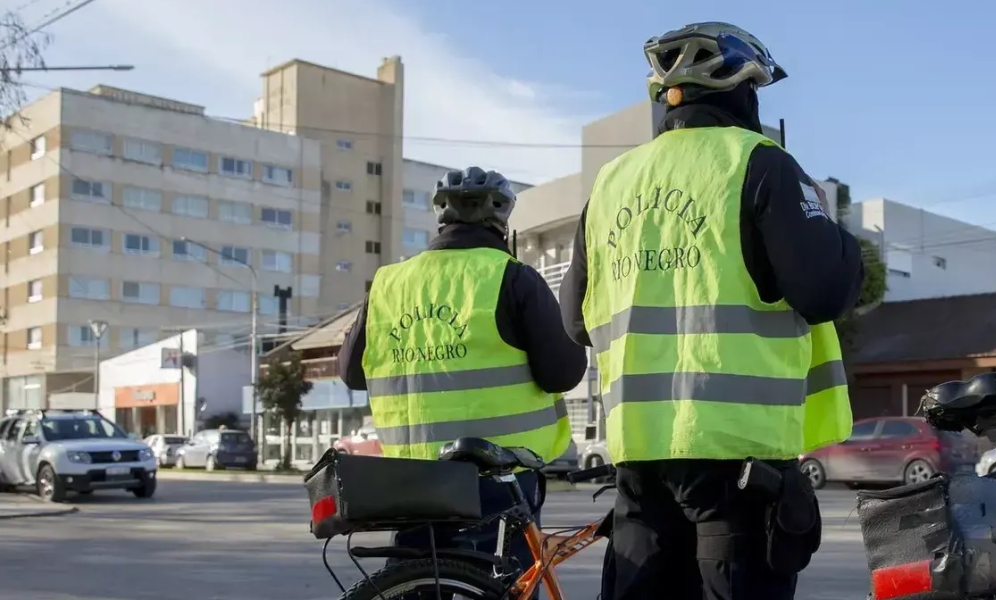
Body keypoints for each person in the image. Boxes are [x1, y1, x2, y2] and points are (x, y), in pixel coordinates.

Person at [557, 21, 864, 600]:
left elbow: (576, 323)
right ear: (745, 90)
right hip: (737, 458)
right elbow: (825, 290)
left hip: (641, 456)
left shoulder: (610, 185)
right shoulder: (760, 162)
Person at [337, 166, 586, 594]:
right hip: (497, 480)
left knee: (419, 585)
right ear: (501, 220)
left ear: (442, 218)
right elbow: (563, 372)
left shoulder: (388, 285)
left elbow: (351, 373)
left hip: (413, 481)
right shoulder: (513, 277)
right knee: (506, 586)